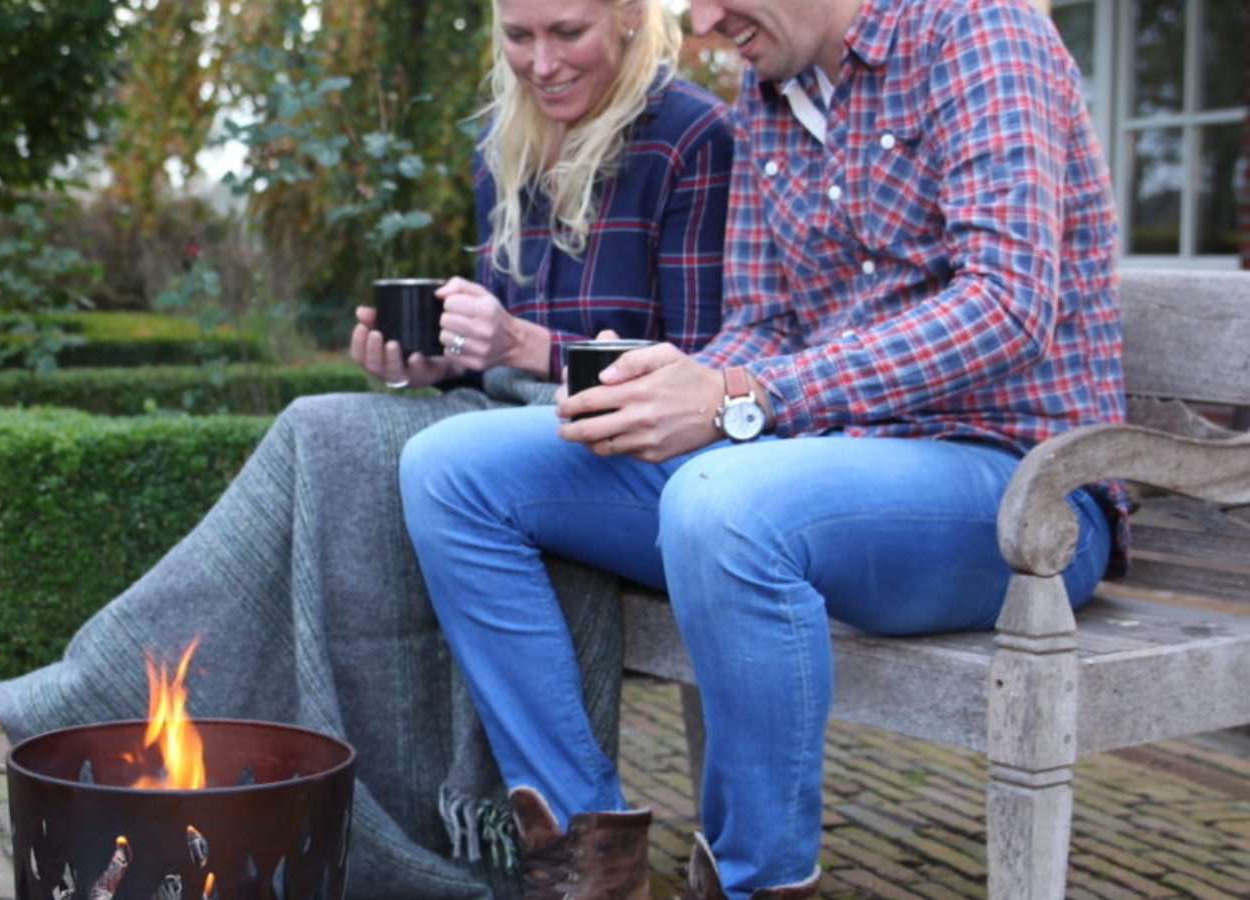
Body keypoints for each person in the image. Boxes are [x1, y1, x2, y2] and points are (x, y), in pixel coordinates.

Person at [0, 0, 732, 896]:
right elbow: (493, 366)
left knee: (317, 432)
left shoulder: (691, 137)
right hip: (506, 433)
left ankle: (73, 704)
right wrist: (432, 361)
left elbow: (706, 360)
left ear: (631, 21)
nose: (541, 62)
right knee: (327, 426)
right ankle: (106, 707)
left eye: (567, 34)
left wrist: (522, 345)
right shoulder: (505, 139)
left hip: (637, 460)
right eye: (517, 37)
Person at [398, 0, 1124, 897]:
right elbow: (761, 322)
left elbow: (1008, 302)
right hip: (811, 469)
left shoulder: (980, 29)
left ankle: (757, 883)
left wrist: (746, 397)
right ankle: (584, 860)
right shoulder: (770, 86)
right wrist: (658, 388)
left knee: (723, 506)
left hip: (1015, 494)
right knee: (453, 470)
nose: (700, 20)